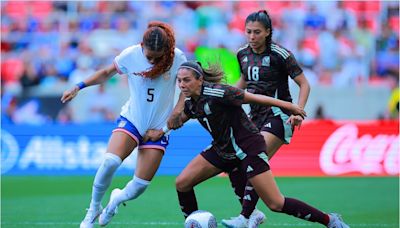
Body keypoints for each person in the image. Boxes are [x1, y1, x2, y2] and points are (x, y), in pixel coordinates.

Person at [144, 61, 349, 228]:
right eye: (179, 81)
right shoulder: (192, 103)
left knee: (276, 203)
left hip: (248, 147)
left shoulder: (219, 92)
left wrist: (289, 106)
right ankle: (194, 225)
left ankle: (330, 220)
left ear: (200, 80)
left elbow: (255, 98)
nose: (182, 85)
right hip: (223, 150)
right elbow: (180, 120)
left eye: (186, 80)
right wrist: (160, 132)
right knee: (182, 183)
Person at [61, 21, 187, 228]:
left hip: (158, 126)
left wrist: (176, 112)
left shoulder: (178, 58)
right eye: (149, 57)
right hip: (133, 119)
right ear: (142, 46)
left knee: (139, 187)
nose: (154, 61)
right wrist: (78, 86)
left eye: (159, 57)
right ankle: (93, 209)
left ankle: (115, 201)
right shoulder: (131, 55)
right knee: (110, 161)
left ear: (167, 50)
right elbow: (106, 73)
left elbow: (185, 88)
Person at [223, 10, 312, 227]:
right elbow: (244, 81)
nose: (252, 37)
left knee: (255, 159)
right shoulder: (242, 53)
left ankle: (245, 217)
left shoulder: (280, 55)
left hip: (279, 116)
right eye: (248, 32)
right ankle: (253, 215)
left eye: (257, 32)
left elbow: (304, 83)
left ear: (268, 32)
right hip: (254, 118)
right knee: (237, 164)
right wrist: (227, 101)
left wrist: (298, 111)